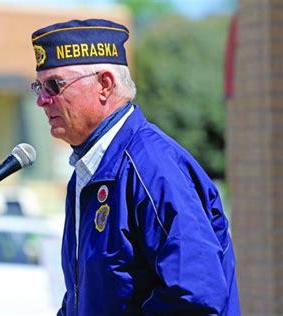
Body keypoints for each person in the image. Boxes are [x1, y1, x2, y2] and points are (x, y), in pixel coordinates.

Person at [30, 19, 240, 315]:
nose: (41, 100)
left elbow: (196, 297)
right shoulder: (89, 171)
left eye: (54, 85)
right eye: (38, 86)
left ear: (105, 84)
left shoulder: (153, 166)